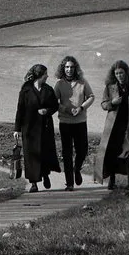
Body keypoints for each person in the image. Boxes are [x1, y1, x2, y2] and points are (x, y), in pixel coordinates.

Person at [95, 59, 129, 190]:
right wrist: (113, 102)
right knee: (112, 153)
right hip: (113, 127)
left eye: (121, 73)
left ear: (127, 73)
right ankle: (112, 180)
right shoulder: (110, 87)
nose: (119, 76)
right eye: (116, 74)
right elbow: (103, 104)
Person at [13, 64, 59, 192]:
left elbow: (55, 106)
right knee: (31, 155)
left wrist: (47, 111)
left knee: (44, 153)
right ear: (39, 75)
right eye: (45, 74)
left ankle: (45, 175)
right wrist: (16, 129)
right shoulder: (26, 90)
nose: (47, 76)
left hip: (45, 127)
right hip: (29, 128)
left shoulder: (48, 90)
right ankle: (34, 183)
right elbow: (20, 109)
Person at [54, 55, 95, 191]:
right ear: (63, 68)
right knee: (67, 153)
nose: (69, 70)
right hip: (65, 122)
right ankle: (69, 183)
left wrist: (81, 108)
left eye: (71, 67)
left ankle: (76, 169)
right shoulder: (59, 84)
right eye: (66, 67)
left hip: (80, 121)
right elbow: (54, 102)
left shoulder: (82, 82)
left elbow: (91, 96)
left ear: (75, 68)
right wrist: (65, 109)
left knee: (82, 150)